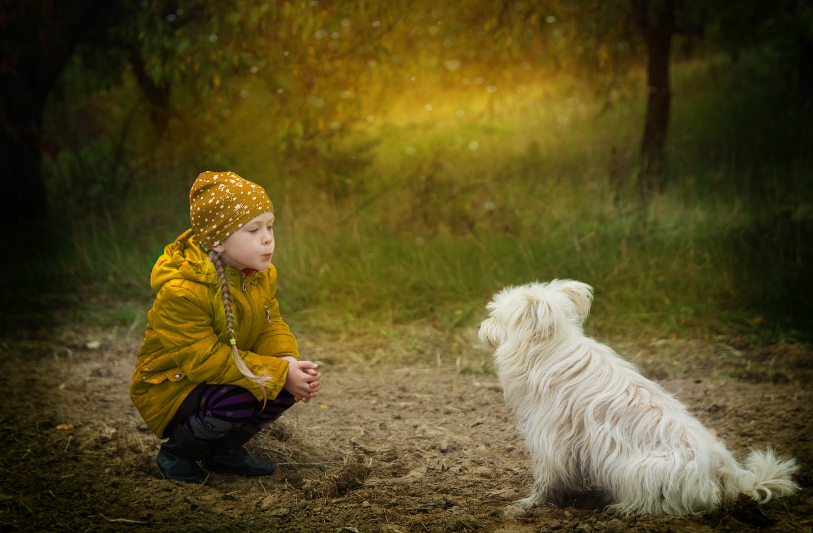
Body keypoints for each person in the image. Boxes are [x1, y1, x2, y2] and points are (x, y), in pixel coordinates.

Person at [130, 171, 321, 484]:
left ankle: (223, 450)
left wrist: (286, 362)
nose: (268, 238)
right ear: (218, 240)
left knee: (283, 388)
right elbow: (202, 359)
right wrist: (276, 373)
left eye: (270, 226)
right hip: (173, 386)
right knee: (246, 392)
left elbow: (270, 324)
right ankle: (179, 451)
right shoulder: (183, 291)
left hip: (220, 377)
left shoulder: (259, 274)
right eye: (253, 230)